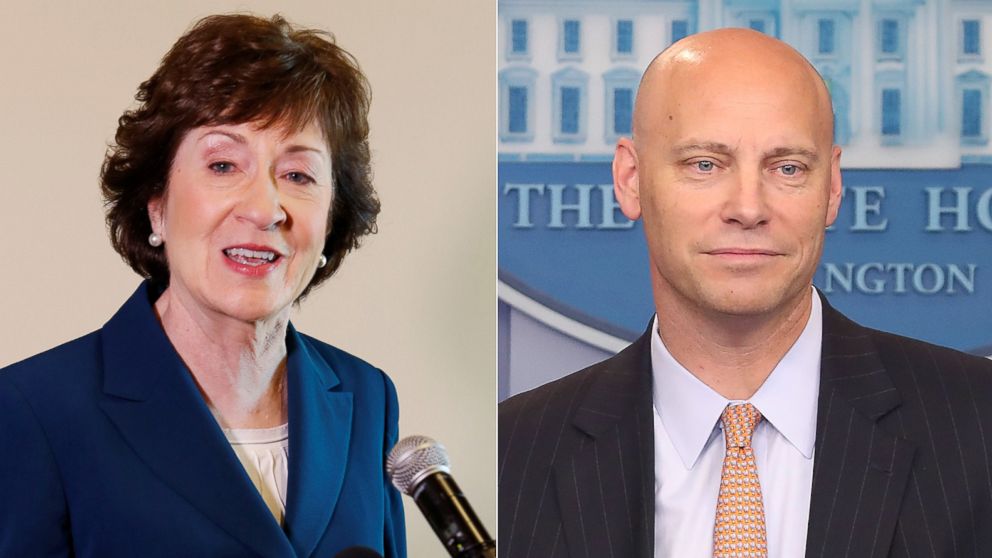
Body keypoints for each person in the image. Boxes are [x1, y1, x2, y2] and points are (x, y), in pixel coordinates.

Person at [498, 28, 992, 558]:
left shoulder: (979, 426)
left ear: (831, 188)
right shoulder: (514, 453)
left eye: (787, 168)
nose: (748, 207)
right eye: (705, 164)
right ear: (631, 180)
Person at [0, 14, 404, 558]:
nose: (265, 209)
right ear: (157, 205)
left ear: (332, 222)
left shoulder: (368, 396)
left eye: (298, 176)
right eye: (222, 164)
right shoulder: (34, 411)